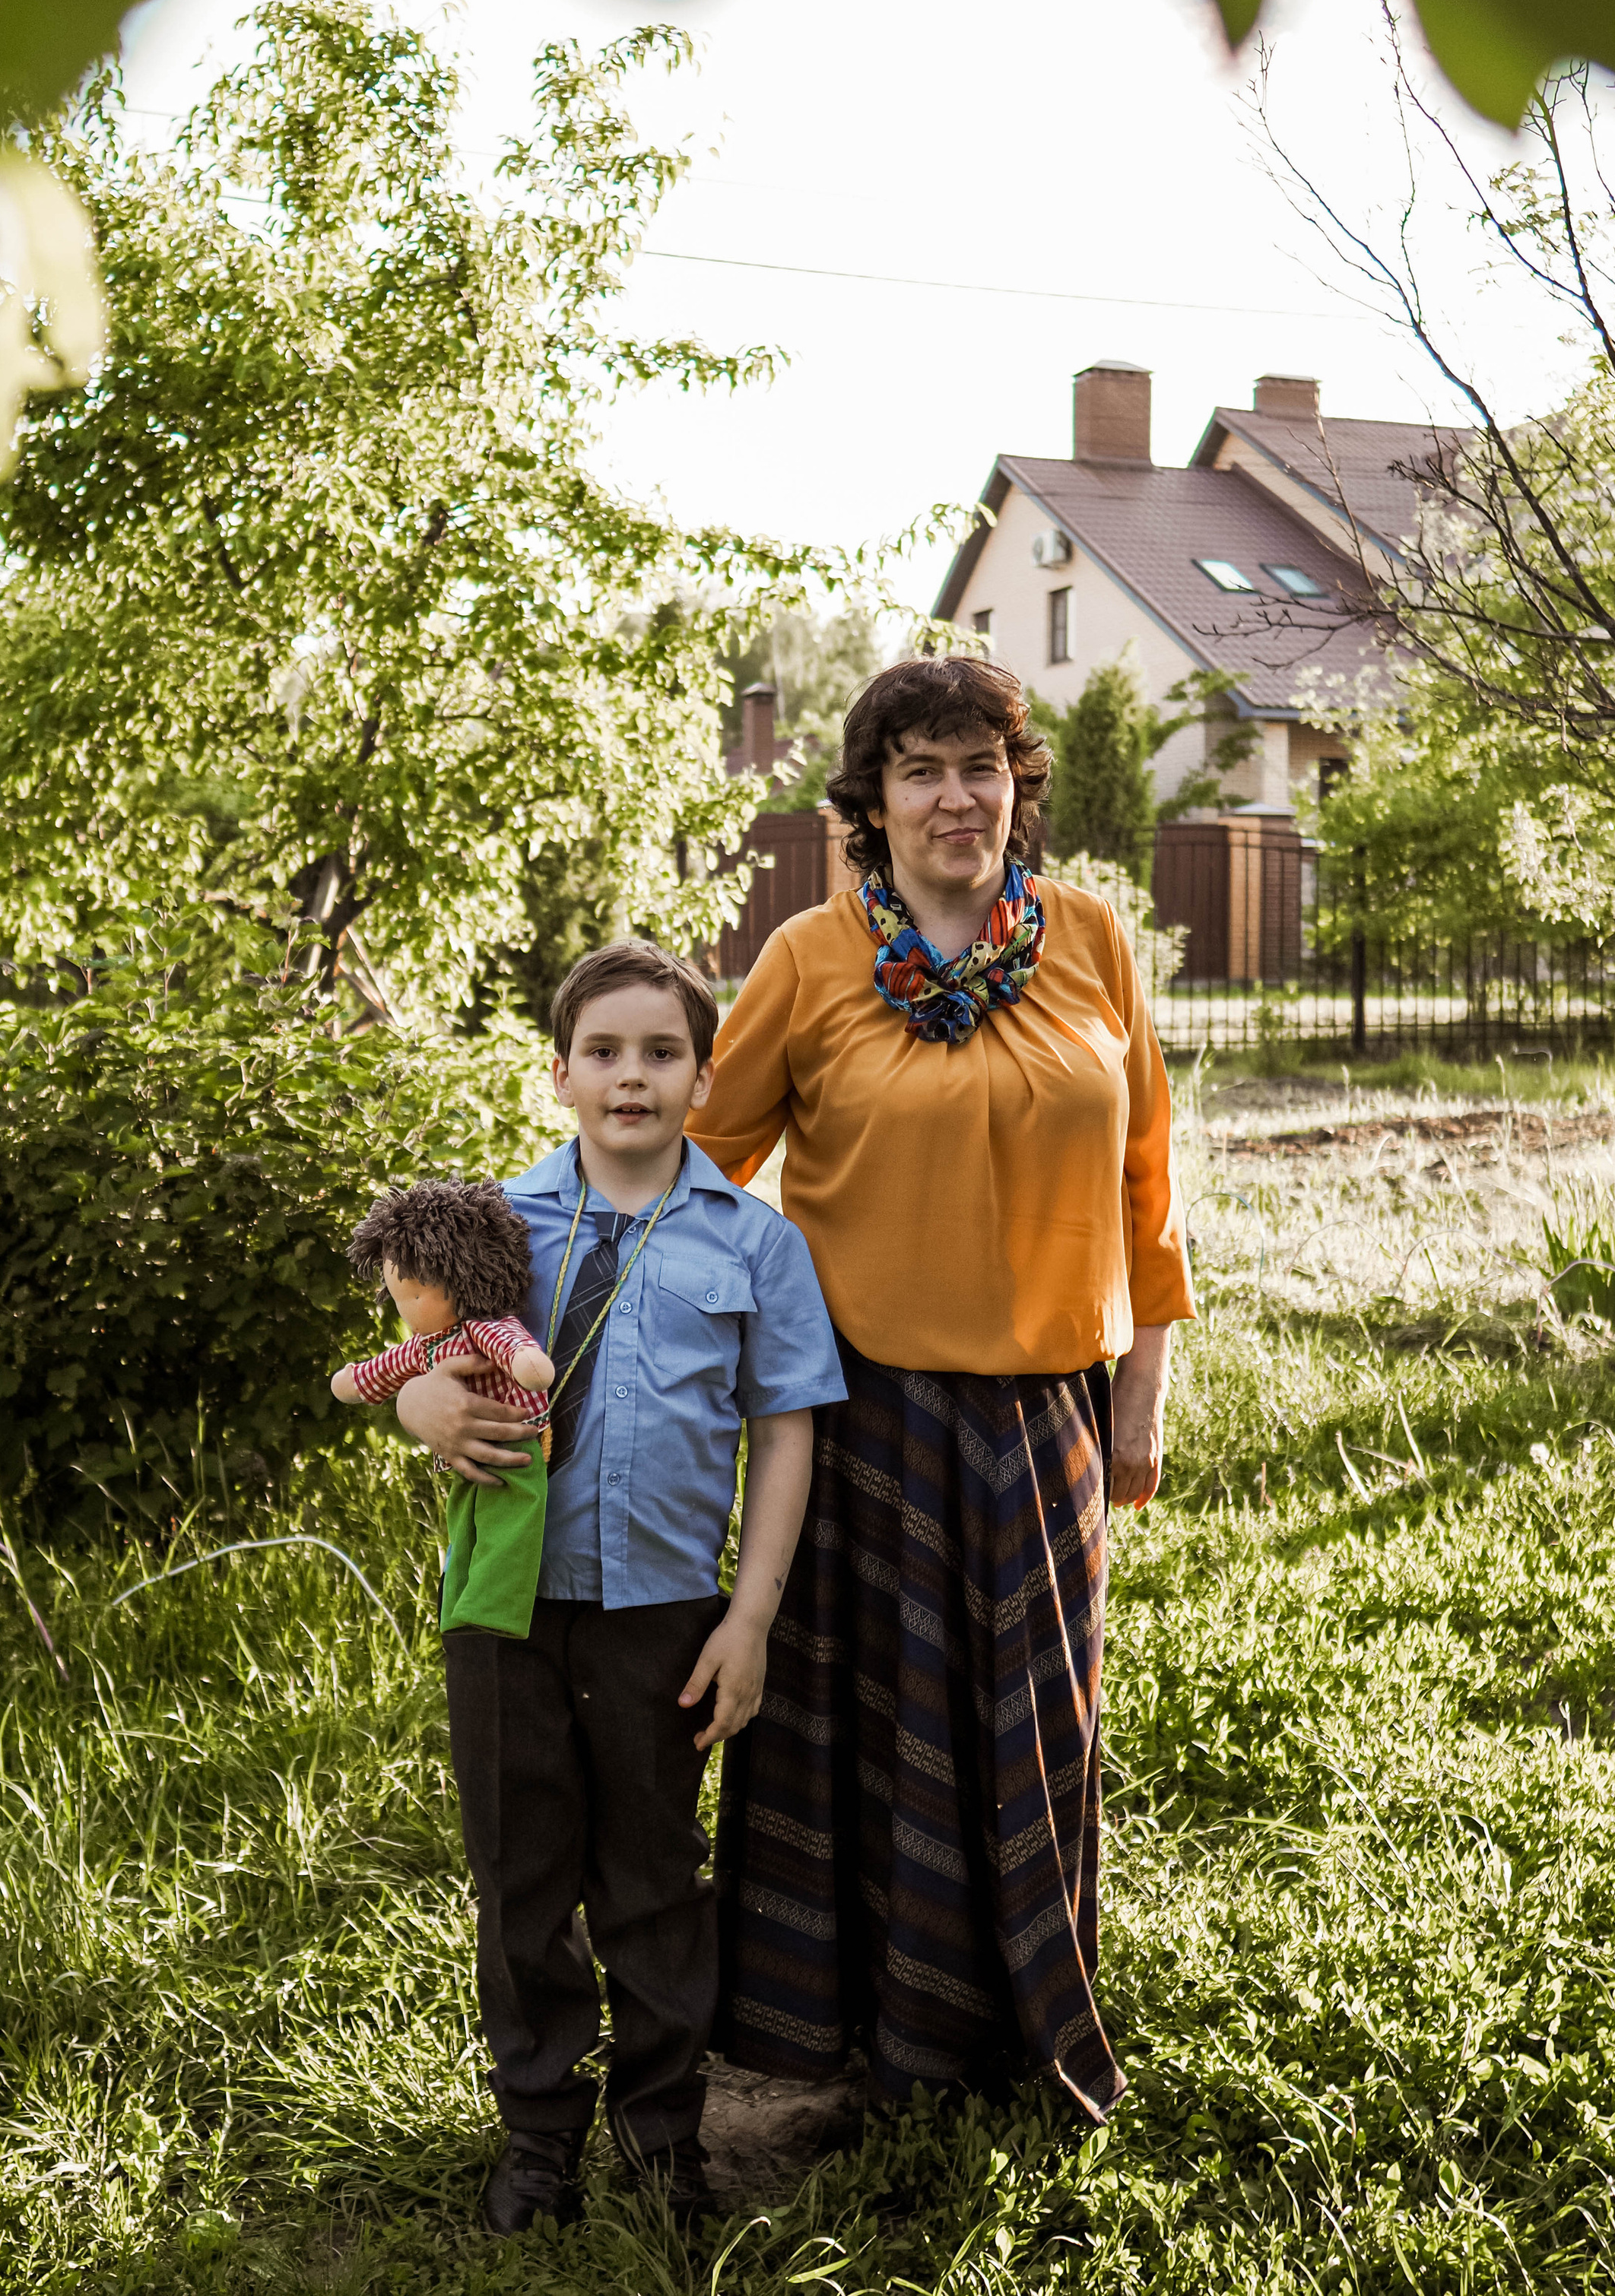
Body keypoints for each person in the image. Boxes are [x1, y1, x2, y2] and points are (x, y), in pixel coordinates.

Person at [689, 653, 1194, 2120]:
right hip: (859, 1424)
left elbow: (1148, 1180)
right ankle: (852, 2050)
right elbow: (698, 1161)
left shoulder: (1093, 941)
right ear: (873, 800)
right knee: (867, 1743)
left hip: (1049, 1419)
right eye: (922, 768)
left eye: (982, 764)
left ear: (1018, 788)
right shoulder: (809, 958)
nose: (956, 794)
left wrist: (1144, 1386)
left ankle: (1014, 2039)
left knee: (1030, 1736)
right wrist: (542, 1302)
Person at [395, 940, 846, 2234]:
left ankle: (662, 2135)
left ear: (703, 1078)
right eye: (604, 1050)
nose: (630, 1075)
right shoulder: (491, 1228)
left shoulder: (756, 1244)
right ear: (559, 1075)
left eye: (660, 1051)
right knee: (521, 1876)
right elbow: (410, 1356)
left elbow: (787, 1432)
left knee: (654, 1877)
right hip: (504, 1613)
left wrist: (749, 1614)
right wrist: (425, 1398)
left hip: (665, 1616)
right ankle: (539, 2134)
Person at [331, 1177, 556, 1638]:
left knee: (512, 1520)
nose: (410, 1308)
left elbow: (520, 1354)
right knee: (465, 1523)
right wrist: (353, 1383)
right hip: (463, 1453)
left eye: (420, 1293)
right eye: (402, 1298)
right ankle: (458, 1610)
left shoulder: (483, 1328)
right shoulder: (423, 1346)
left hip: (516, 1440)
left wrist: (527, 1364)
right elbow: (375, 1374)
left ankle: (495, 1610)